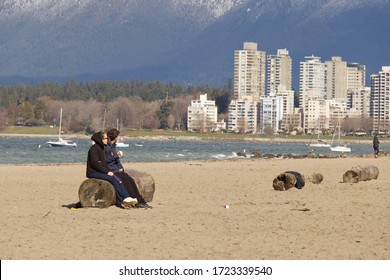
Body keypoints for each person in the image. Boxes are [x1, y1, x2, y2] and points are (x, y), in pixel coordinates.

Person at [86, 131, 138, 208]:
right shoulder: (94, 149)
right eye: (106, 138)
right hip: (93, 172)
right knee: (112, 179)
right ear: (101, 139)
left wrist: (110, 171)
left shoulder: (101, 148)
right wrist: (107, 172)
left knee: (118, 179)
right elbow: (96, 164)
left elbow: (103, 164)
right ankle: (122, 200)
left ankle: (126, 197)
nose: (107, 140)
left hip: (100, 171)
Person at [106, 128, 152, 209]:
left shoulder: (113, 147)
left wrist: (120, 168)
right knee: (126, 181)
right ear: (115, 138)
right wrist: (117, 158)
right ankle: (135, 200)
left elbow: (117, 161)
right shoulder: (107, 148)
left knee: (130, 180)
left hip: (117, 170)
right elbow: (107, 160)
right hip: (112, 171)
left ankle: (139, 199)